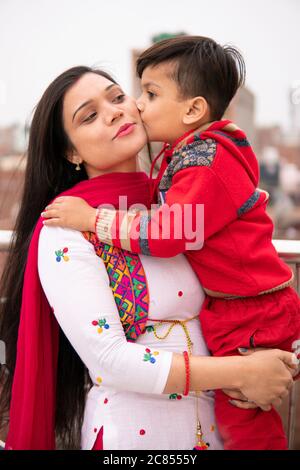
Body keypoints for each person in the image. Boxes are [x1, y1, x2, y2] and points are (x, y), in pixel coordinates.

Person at [0, 66, 297, 451]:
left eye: (118, 97)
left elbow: (248, 290)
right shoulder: (68, 228)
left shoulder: (178, 206)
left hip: (218, 431)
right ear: (70, 151)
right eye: (89, 115)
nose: (114, 112)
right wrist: (244, 371)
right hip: (134, 436)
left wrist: (275, 367)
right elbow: (110, 359)